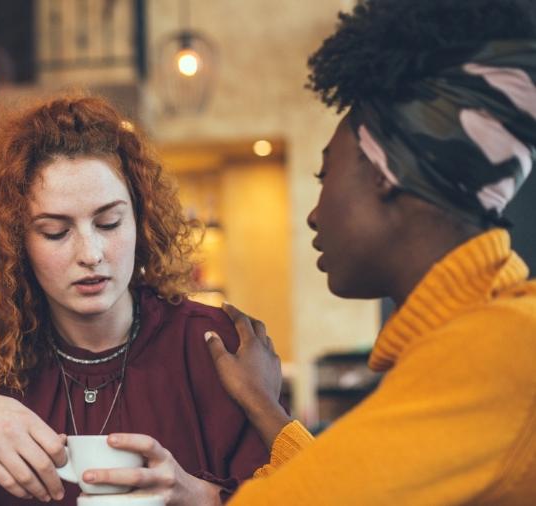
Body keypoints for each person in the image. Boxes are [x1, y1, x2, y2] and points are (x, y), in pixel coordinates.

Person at [84, 0, 536, 503]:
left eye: (326, 175)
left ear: (385, 177)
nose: (314, 214)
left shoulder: (500, 352)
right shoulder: (481, 335)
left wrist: (203, 496)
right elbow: (350, 487)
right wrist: (263, 403)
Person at [0, 96, 270, 505]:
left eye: (109, 222)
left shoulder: (211, 345)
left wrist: (196, 496)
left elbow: (299, 489)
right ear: (16, 243)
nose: (90, 253)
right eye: (55, 231)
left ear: (141, 220)